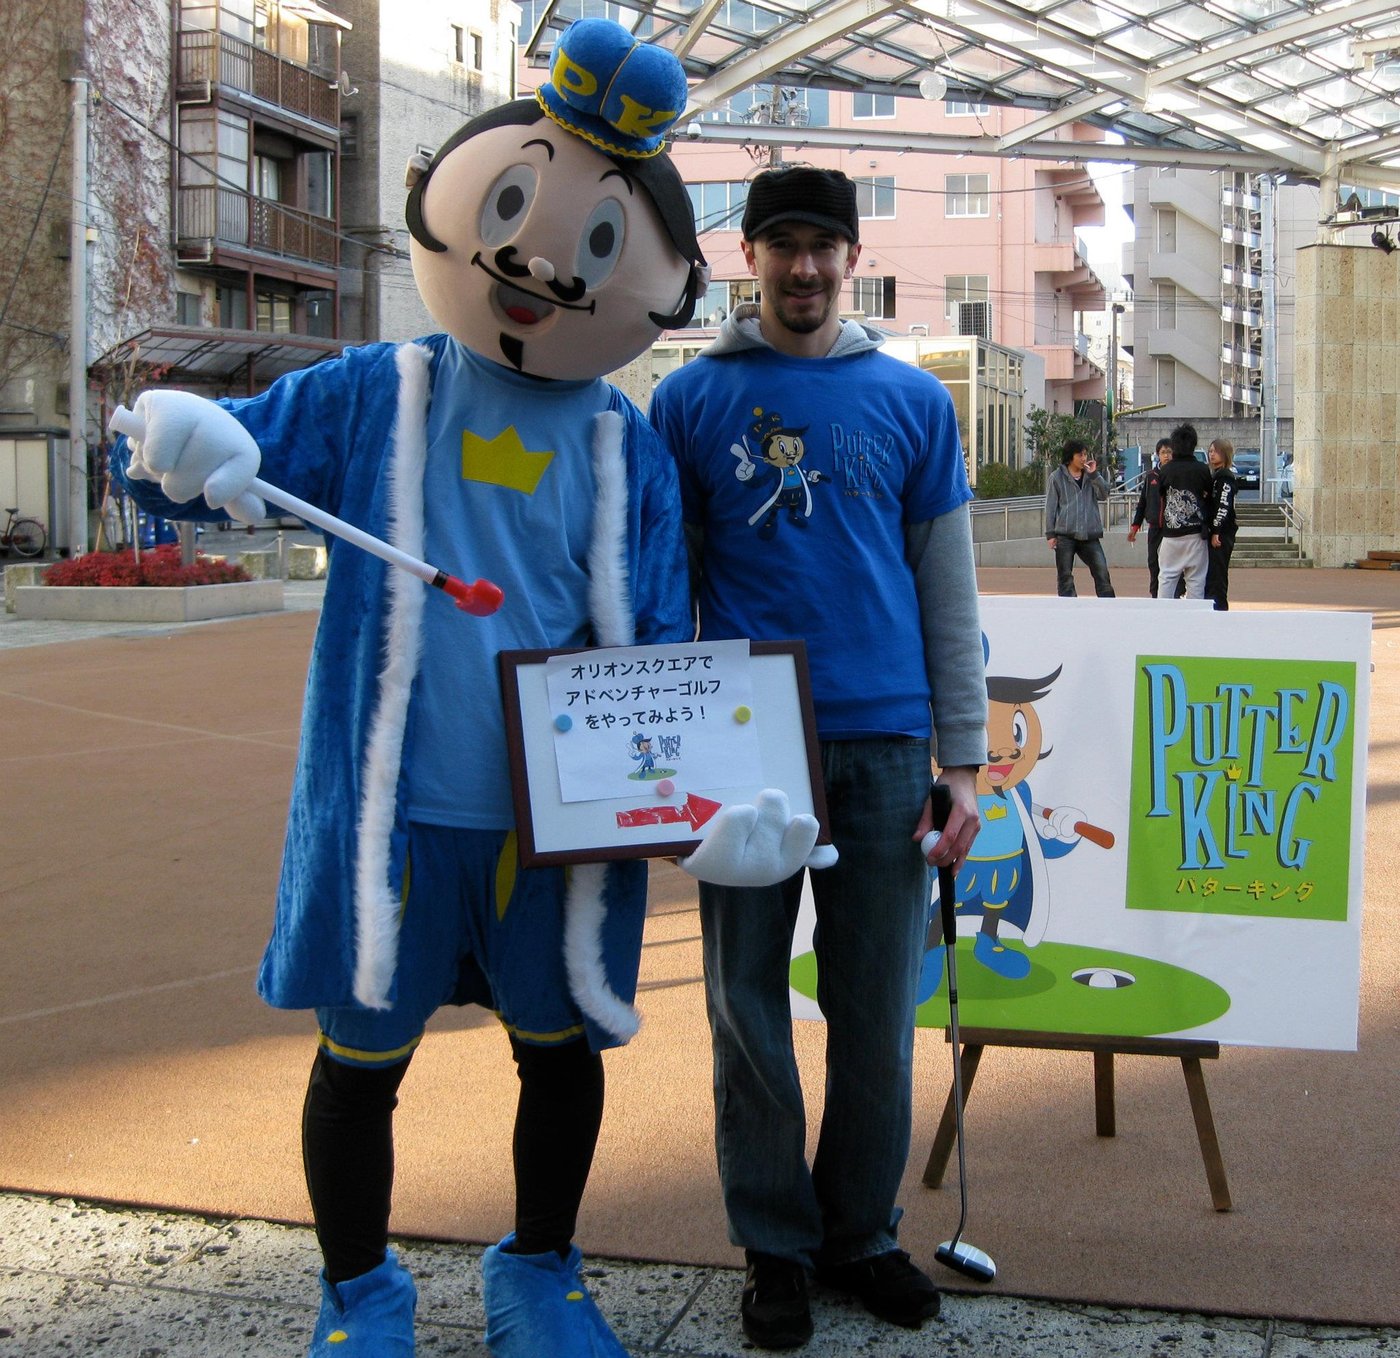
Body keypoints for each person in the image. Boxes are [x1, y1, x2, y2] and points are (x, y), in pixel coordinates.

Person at [108, 23, 821, 1358]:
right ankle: (360, 1291)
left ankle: (539, 1269)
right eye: (512, 209)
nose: (544, 262)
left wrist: (698, 807)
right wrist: (162, 444)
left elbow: (655, 651)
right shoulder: (381, 389)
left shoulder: (625, 448)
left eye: (600, 250)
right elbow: (216, 467)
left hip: (549, 829)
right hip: (391, 815)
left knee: (556, 1054)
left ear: (656, 288)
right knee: (359, 1062)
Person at [649, 165, 987, 1351]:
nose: (802, 266)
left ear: (851, 260)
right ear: (747, 254)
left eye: (821, 246)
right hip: (744, 750)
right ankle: (773, 1246)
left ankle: (860, 1232)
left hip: (891, 742)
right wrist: (647, 746)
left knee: (872, 1008)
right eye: (780, 243)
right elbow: (659, 591)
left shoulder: (912, 404)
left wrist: (964, 757)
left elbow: (946, 591)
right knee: (744, 1005)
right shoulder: (688, 403)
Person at [1044, 439, 1116, 597]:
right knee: (1065, 577)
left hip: (1089, 534)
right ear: (1071, 457)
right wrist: (1050, 534)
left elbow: (1104, 494)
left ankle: (1110, 606)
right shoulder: (1056, 477)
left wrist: (1095, 475)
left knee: (1101, 572)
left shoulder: (1091, 476)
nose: (1084, 458)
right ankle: (1068, 609)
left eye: (1085, 454)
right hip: (1065, 534)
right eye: (1080, 455)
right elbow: (1050, 507)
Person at [1156, 422, 1215, 601]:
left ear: (1174, 446)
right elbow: (1208, 494)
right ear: (1194, 445)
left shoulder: (1165, 470)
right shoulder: (1203, 469)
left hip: (1170, 534)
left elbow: (1161, 494)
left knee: (1166, 577)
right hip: (1196, 534)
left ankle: (1162, 617)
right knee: (1196, 581)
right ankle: (1195, 621)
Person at [1127, 438, 1171, 596]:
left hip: (1171, 528)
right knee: (1153, 562)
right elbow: (1142, 502)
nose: (1167, 455)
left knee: (1172, 563)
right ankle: (1154, 593)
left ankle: (1177, 593)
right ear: (1158, 455)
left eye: (1170, 452)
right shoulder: (1151, 476)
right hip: (1154, 527)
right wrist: (1135, 526)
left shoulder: (1176, 474)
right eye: (1163, 452)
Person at [1205, 437, 1239, 610]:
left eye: (1215, 451)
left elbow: (1223, 506)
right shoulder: (1216, 476)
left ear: (1224, 454)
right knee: (1213, 572)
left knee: (1217, 573)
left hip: (1222, 533)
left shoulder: (1224, 478)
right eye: (1210, 451)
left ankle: (1219, 606)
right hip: (1218, 531)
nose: (1212, 454)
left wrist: (1216, 530)